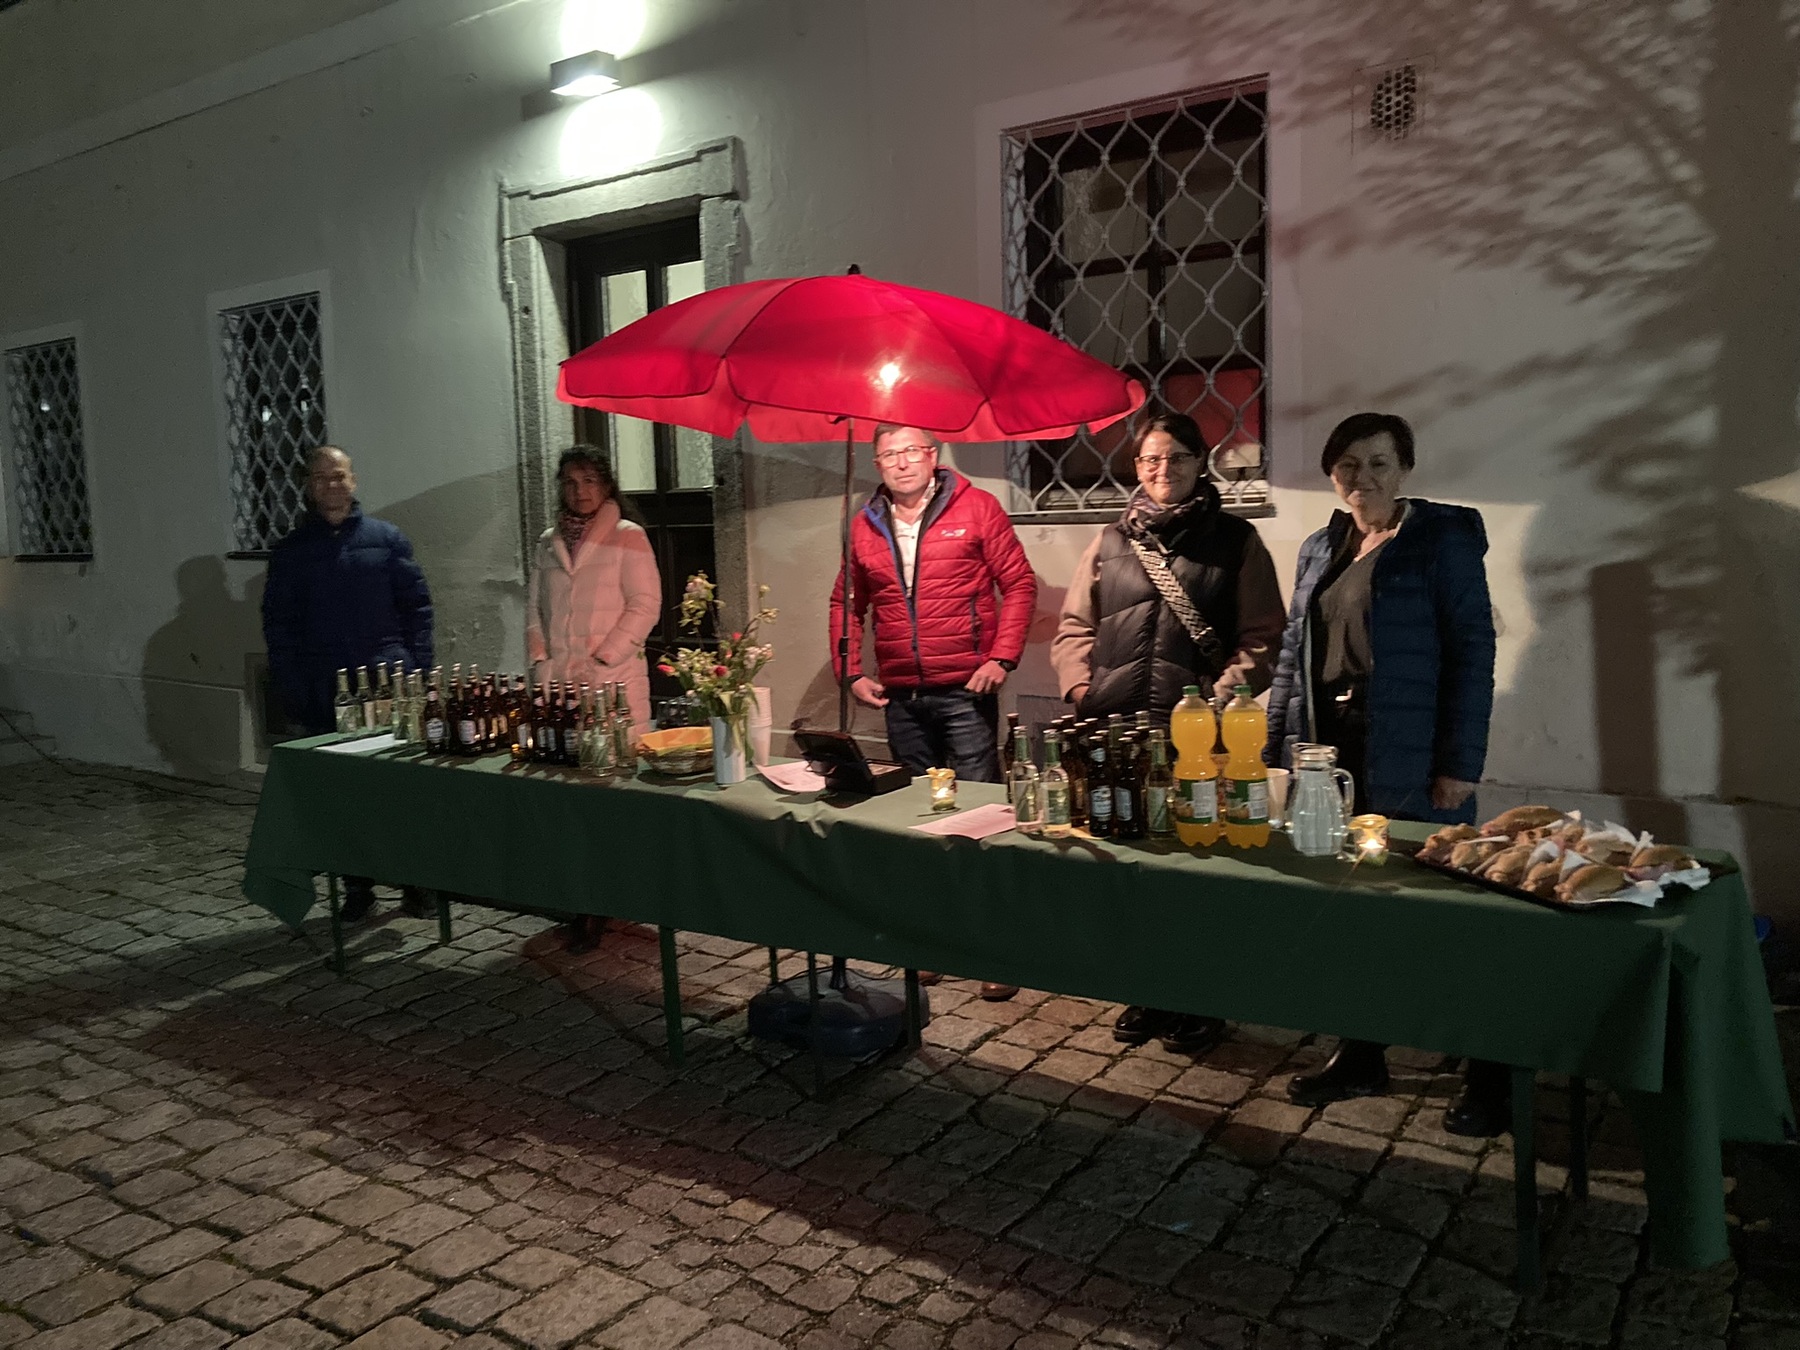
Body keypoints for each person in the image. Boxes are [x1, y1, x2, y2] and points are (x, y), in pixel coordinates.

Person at [1266, 412, 1503, 1134]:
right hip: (1334, 754)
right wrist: (1278, 750)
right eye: (1348, 464)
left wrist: (1458, 764)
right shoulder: (1320, 546)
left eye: (1378, 462)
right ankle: (1362, 1053)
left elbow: (1473, 649)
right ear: (1331, 474)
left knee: (1441, 914)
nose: (1362, 477)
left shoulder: (1441, 539)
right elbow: (1293, 652)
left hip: (1412, 751)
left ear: (1404, 469)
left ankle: (1490, 1071)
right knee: (1353, 908)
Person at [1051, 410, 1285, 1054]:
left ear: (1199, 462)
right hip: (1118, 732)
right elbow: (1074, 627)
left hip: (1196, 738)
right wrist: (1081, 690)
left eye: (1176, 457)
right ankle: (1147, 989)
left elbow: (1264, 636)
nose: (1162, 470)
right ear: (1137, 466)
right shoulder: (1110, 540)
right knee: (1131, 869)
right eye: (1150, 459)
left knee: (1198, 871)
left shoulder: (1236, 541)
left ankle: (1202, 999)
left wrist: (1217, 701)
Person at [829, 424, 1037, 1000]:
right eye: (889, 454)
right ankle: (932, 941)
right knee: (919, 819)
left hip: (966, 691)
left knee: (982, 819)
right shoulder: (865, 523)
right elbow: (847, 601)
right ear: (877, 463)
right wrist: (850, 671)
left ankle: (994, 949)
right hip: (903, 696)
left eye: (911, 451)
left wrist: (1002, 657)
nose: (901, 463)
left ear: (932, 455)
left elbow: (1019, 584)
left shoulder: (978, 507)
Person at [262, 445, 434, 923]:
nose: (331, 485)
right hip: (326, 691)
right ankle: (358, 888)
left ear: (353, 481)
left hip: (388, 685)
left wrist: (418, 674)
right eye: (321, 478)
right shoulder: (292, 552)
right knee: (341, 797)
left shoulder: (387, 539)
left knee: (401, 791)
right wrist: (293, 687)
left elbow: (417, 610)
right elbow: (280, 627)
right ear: (309, 486)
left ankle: (417, 885)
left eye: (338, 476)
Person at [527, 444, 661, 951]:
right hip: (559, 688)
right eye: (569, 482)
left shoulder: (628, 536)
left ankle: (603, 903)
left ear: (605, 486)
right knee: (568, 798)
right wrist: (541, 659)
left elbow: (645, 604)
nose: (579, 491)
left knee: (608, 799)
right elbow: (534, 609)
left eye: (588, 481)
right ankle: (579, 896)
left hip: (613, 687)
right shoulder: (548, 542)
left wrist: (604, 658)